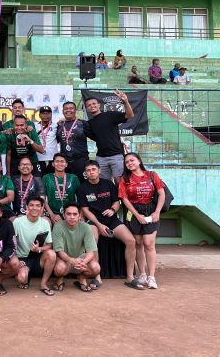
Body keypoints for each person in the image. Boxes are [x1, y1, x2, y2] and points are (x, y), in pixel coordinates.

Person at [77, 160, 142, 290]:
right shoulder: (82, 188)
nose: (91, 172)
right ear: (85, 173)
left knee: (130, 241)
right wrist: (99, 225)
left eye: (93, 169)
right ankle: (97, 277)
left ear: (99, 170)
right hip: (93, 221)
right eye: (88, 170)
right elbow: (85, 211)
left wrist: (112, 210)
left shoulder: (108, 184)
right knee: (93, 240)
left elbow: (117, 202)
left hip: (111, 220)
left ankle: (130, 277)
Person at [118, 152, 166, 289]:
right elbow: (124, 199)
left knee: (149, 244)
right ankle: (142, 274)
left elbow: (161, 193)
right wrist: (137, 215)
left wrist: (157, 212)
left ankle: (152, 277)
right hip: (133, 212)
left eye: (132, 160)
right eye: (127, 162)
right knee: (138, 243)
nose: (129, 163)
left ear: (139, 161)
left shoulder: (152, 175)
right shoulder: (125, 179)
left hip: (151, 210)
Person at [84, 89, 133, 183]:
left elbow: (130, 115)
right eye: (89, 105)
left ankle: (121, 198)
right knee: (104, 184)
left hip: (116, 155)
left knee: (119, 183)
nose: (92, 106)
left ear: (98, 105)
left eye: (94, 103)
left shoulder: (110, 115)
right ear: (87, 109)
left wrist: (125, 101)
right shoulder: (88, 124)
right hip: (101, 158)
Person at [13, 196, 56, 296]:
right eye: (31, 205)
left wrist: (39, 249)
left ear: (42, 209)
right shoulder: (18, 222)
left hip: (37, 258)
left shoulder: (45, 223)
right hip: (22, 258)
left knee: (52, 254)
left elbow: (49, 245)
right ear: (26, 207)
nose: (34, 208)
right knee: (22, 279)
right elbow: (11, 244)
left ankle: (43, 283)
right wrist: (16, 260)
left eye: (38, 206)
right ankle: (24, 276)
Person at [52, 203, 100, 292]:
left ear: (79, 215)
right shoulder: (58, 226)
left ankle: (82, 277)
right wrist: (71, 260)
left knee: (96, 268)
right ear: (64, 215)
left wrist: (84, 262)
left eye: (75, 214)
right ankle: (60, 278)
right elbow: (59, 251)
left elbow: (91, 251)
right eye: (69, 214)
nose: (72, 217)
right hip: (64, 259)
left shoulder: (86, 227)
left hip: (80, 259)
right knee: (59, 269)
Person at [42, 153, 80, 225]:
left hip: (70, 213)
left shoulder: (73, 178)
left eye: (62, 161)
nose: (59, 163)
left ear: (66, 164)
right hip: (52, 212)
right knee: (46, 223)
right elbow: (42, 199)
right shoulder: (46, 178)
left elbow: (81, 198)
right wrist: (52, 215)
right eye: (57, 161)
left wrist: (78, 214)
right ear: (53, 164)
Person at [56, 101, 90, 181]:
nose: (68, 110)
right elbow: (55, 140)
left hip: (80, 161)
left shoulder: (82, 123)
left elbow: (95, 137)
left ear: (75, 110)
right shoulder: (60, 125)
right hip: (65, 162)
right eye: (66, 109)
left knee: (83, 184)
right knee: (66, 185)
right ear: (62, 111)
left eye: (71, 108)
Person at [35, 106, 58, 175]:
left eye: (48, 113)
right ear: (39, 115)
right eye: (43, 113)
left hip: (52, 159)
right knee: (39, 179)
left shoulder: (56, 125)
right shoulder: (34, 125)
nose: (45, 115)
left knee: (51, 179)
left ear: (51, 115)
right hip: (38, 158)